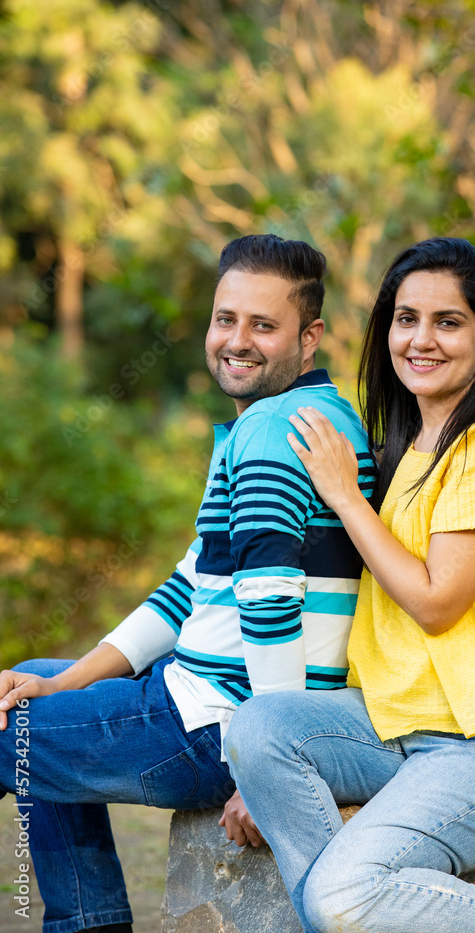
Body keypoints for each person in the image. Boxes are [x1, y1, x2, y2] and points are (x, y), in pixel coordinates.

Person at [224, 238, 475, 933]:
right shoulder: (407, 449)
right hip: (396, 728)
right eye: (405, 318)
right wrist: (260, 778)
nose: (420, 339)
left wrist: (344, 497)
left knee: (340, 897)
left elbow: (437, 603)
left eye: (447, 322)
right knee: (260, 727)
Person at [0, 234, 374, 933]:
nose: (237, 341)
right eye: (226, 319)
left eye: (263, 325)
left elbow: (271, 601)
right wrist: (67, 681)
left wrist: (268, 770)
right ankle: (87, 920)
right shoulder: (297, 419)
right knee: (27, 686)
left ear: (308, 337)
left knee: (4, 736)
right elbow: (189, 589)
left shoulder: (272, 433)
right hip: (198, 696)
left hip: (212, 726)